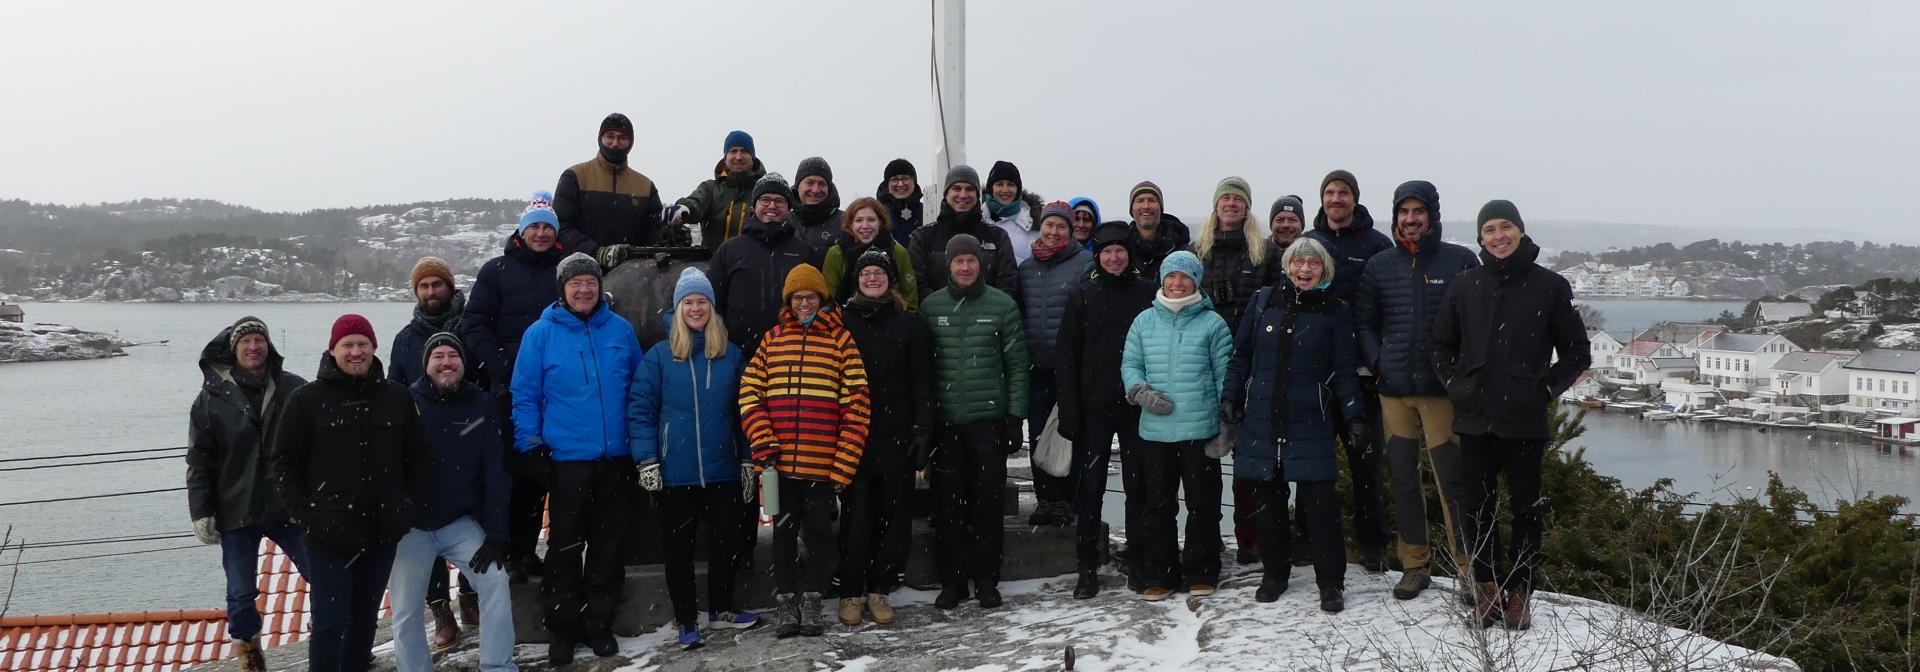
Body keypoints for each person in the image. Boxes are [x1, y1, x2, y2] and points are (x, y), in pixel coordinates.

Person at [1432, 200, 1590, 630]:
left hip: (1524, 419)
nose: (1498, 236)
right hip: (1474, 418)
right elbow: (1440, 345)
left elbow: (1577, 352)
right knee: (1476, 508)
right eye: (1489, 229)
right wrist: (1457, 385)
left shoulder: (1549, 286)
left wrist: (1544, 390)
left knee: (1526, 509)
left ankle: (1520, 591)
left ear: (1520, 230)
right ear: (1480, 237)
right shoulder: (1465, 285)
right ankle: (1487, 588)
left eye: (1505, 227)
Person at [270, 314, 428, 672]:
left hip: (382, 531)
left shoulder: (397, 397)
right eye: (348, 345)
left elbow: (419, 458)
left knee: (364, 621)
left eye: (363, 344)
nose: (356, 352)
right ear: (333, 350)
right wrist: (304, 515)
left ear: (374, 348)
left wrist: (408, 509)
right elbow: (283, 464)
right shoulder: (306, 400)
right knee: (329, 624)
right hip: (327, 535)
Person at [510, 252, 643, 665]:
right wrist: (531, 445)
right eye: (575, 283)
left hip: (616, 458)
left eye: (590, 282)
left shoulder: (620, 329)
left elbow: (639, 390)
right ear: (562, 289)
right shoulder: (540, 334)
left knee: (609, 547)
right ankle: (562, 627)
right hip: (567, 461)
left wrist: (640, 444)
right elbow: (525, 395)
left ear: (600, 287)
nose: (584, 290)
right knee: (565, 548)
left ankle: (599, 623)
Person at [1222, 237, 1366, 613]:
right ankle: (1275, 574)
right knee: (1267, 505)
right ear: (1287, 266)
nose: (1305, 269)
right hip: (1262, 416)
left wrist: (1354, 414)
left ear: (1324, 270)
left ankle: (1330, 582)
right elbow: (1241, 355)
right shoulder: (1264, 301)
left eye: (1313, 263)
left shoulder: (1335, 310)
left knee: (1320, 507)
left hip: (1311, 419)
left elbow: (1344, 369)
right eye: (1298, 262)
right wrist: (1231, 396)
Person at [1354, 180, 1480, 601]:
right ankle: (1414, 565)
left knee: (1452, 482)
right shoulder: (1380, 266)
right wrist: (1378, 362)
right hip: (1393, 392)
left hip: (1441, 392)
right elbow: (1365, 323)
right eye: (1404, 212)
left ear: (1432, 215)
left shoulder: (1460, 261)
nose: (1410, 219)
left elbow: (1474, 324)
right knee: (1404, 479)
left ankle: (1469, 568)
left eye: (1418, 211)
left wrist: (1459, 374)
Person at [629, 268, 761, 650]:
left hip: (722, 469)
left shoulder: (731, 354)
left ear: (712, 307)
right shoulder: (659, 356)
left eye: (702, 301)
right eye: (689, 302)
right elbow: (641, 410)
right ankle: (687, 620)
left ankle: (721, 608)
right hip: (675, 472)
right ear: (678, 308)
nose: (696, 308)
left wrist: (748, 459)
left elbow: (745, 412)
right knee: (678, 550)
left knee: (727, 544)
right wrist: (647, 458)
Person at [739, 264, 871, 637]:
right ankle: (787, 602)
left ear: (822, 299)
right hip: (779, 464)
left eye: (811, 297)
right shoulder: (773, 339)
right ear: (789, 301)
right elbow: (750, 391)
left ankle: (813, 599)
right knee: (782, 536)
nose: (804, 304)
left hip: (822, 464)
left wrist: (844, 463)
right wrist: (763, 440)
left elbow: (858, 405)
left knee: (820, 535)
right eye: (798, 298)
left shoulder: (841, 341)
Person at [186, 316, 309, 672]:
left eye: (259, 340)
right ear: (233, 349)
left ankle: (330, 634)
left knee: (323, 572)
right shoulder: (209, 400)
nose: (254, 347)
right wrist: (201, 512)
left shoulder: (294, 388)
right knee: (241, 593)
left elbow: (317, 446)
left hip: (288, 505)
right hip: (236, 508)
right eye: (246, 341)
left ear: (269, 345)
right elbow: (199, 460)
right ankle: (249, 653)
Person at [389, 333, 516, 672]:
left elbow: (495, 471)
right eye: (438, 356)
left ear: (463, 363)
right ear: (426, 365)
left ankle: (498, 666)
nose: (446, 362)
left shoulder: (481, 404)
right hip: (412, 527)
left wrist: (497, 534)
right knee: (405, 608)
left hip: (459, 522)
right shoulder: (405, 402)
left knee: (494, 581)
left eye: (453, 356)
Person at [921, 233, 1029, 610]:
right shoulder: (931, 307)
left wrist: (1014, 417)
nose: (965, 267)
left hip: (988, 421)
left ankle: (986, 579)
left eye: (971, 261)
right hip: (947, 423)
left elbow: (1017, 365)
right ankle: (952, 582)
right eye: (958, 261)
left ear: (981, 265)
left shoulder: (1002, 305)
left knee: (988, 503)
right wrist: (925, 422)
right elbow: (922, 369)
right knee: (948, 505)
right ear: (948, 266)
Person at [463, 192, 565, 584]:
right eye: (534, 227)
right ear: (521, 232)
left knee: (539, 473)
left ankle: (526, 550)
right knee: (508, 471)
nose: (540, 233)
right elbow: (474, 324)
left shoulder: (564, 271)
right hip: (506, 387)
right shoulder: (496, 271)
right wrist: (505, 366)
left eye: (547, 227)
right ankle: (504, 552)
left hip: (554, 389)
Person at [1120, 251, 1232, 601]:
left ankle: (1201, 570)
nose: (1178, 283)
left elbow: (1224, 375)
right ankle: (1160, 574)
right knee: (1157, 505)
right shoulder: (1144, 322)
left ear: (1196, 281)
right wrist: (1139, 391)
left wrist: (1226, 424)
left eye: (1185, 276)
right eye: (1172, 276)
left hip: (1200, 430)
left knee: (1203, 504)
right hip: (1156, 431)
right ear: (1162, 280)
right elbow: (1130, 364)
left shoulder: (1213, 324)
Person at [834, 249, 936, 626]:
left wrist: (923, 428)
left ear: (890, 280)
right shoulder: (842, 322)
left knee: (894, 517)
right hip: (854, 436)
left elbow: (922, 381)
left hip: (896, 434)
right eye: (866, 273)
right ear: (856, 280)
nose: (872, 278)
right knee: (857, 516)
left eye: (879, 273)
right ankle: (850, 590)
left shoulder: (908, 323)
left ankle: (880, 587)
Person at [1055, 222, 1156, 599]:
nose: (1114, 258)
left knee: (1137, 486)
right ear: (1097, 257)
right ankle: (1087, 568)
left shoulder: (1148, 293)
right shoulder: (1083, 294)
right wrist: (1069, 409)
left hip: (1136, 407)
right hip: (1093, 407)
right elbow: (1067, 356)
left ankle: (1138, 560)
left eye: (1120, 251)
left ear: (1130, 254)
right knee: (1091, 488)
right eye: (1107, 252)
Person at [1302, 169, 1394, 572]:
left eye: (1343, 192)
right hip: (1316, 373)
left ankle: (1373, 545)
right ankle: (1307, 540)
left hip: (1362, 375)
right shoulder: (1309, 242)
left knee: (1366, 465)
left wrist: (1380, 360)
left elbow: (1390, 305)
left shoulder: (1377, 245)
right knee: (1311, 464)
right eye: (1329, 192)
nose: (1336, 198)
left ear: (1355, 198)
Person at [1192, 177, 1285, 566]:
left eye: (1238, 199)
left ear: (1247, 207)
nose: (1231, 204)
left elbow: (1279, 304)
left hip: (1252, 363)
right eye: (1225, 198)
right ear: (1215, 206)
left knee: (1250, 458)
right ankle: (1207, 535)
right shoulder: (1197, 252)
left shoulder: (1265, 253)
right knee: (1203, 457)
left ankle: (1252, 538)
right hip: (1203, 364)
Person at [388, 255, 480, 641]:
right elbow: (394, 390)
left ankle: (470, 594)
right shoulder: (405, 339)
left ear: (449, 286)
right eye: (423, 286)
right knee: (423, 526)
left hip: (466, 437)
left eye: (436, 284)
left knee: (471, 520)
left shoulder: (471, 327)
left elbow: (481, 380)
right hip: (420, 447)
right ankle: (441, 609)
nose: (430, 292)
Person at [1017, 201, 1092, 527]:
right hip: (1036, 367)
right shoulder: (1026, 269)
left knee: (1068, 432)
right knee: (1037, 435)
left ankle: (1065, 500)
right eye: (1049, 225)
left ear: (1071, 231)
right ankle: (1045, 499)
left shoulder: (1084, 263)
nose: (1054, 231)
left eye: (1061, 226)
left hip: (1070, 367)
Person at [708, 173, 813, 358]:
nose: (772, 206)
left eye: (779, 201)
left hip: (792, 354)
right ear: (755, 205)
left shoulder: (804, 252)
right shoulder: (729, 250)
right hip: (737, 355)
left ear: (788, 207)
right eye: (765, 199)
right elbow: (713, 303)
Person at [554, 112, 673, 267]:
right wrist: (596, 252)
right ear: (600, 138)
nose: (615, 143)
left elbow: (653, 234)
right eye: (610, 136)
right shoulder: (575, 177)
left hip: (630, 275)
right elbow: (562, 228)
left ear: (631, 142)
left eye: (622, 138)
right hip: (582, 273)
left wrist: (669, 236)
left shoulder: (645, 186)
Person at [906, 165, 1020, 298]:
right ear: (946, 193)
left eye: (969, 189)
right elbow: (916, 284)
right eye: (956, 188)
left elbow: (1008, 283)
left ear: (977, 195)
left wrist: (984, 308)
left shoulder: (997, 237)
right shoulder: (923, 237)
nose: (963, 195)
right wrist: (940, 307)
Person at [820, 197, 921, 313]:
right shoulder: (837, 254)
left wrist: (901, 320)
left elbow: (910, 300)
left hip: (892, 318)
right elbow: (829, 298)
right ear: (850, 224)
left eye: (871, 220)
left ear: (881, 222)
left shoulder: (898, 253)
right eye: (859, 220)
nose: (865, 225)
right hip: (846, 319)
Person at [668, 130, 765, 249]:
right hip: (712, 259)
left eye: (744, 151)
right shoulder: (710, 189)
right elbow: (696, 203)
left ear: (752, 157)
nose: (738, 157)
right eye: (733, 151)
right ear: (725, 158)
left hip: (755, 260)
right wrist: (685, 208)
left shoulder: (765, 191)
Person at [1123, 180, 1191, 280]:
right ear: (1131, 209)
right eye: (1140, 201)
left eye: (1152, 200)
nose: (1146, 206)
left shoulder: (1181, 246)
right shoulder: (1122, 247)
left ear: (1160, 207)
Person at [787, 157, 846, 265]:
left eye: (822, 184)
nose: (815, 190)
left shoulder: (846, 222)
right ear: (797, 186)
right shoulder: (784, 221)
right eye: (809, 183)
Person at [984, 160, 1045, 262]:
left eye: (1011, 184)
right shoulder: (977, 217)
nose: (1005, 190)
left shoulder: (1034, 224)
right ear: (991, 188)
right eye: (999, 184)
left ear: (1018, 189)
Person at [877, 158, 925, 246]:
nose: (900, 184)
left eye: (905, 178)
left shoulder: (927, 212)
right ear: (887, 184)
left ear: (914, 182)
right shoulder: (877, 214)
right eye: (894, 179)